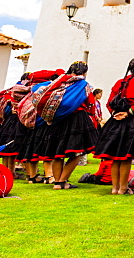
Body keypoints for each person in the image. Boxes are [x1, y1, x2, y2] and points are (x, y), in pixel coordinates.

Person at [31, 61, 100, 190]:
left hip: (58, 119)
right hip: (76, 119)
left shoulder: (59, 82)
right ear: (84, 72)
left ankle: (57, 182)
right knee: (78, 152)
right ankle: (62, 180)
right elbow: (90, 103)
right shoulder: (83, 85)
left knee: (58, 152)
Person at [93, 57, 134, 195]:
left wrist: (115, 113)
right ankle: (123, 188)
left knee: (115, 157)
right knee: (126, 156)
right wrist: (128, 113)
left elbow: (109, 102)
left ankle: (115, 188)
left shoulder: (120, 82)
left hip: (116, 121)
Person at [0, 73, 32, 175]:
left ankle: (6, 171)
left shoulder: (12, 90)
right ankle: (10, 172)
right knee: (13, 147)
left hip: (8, 121)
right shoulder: (24, 90)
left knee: (7, 147)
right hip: (17, 120)